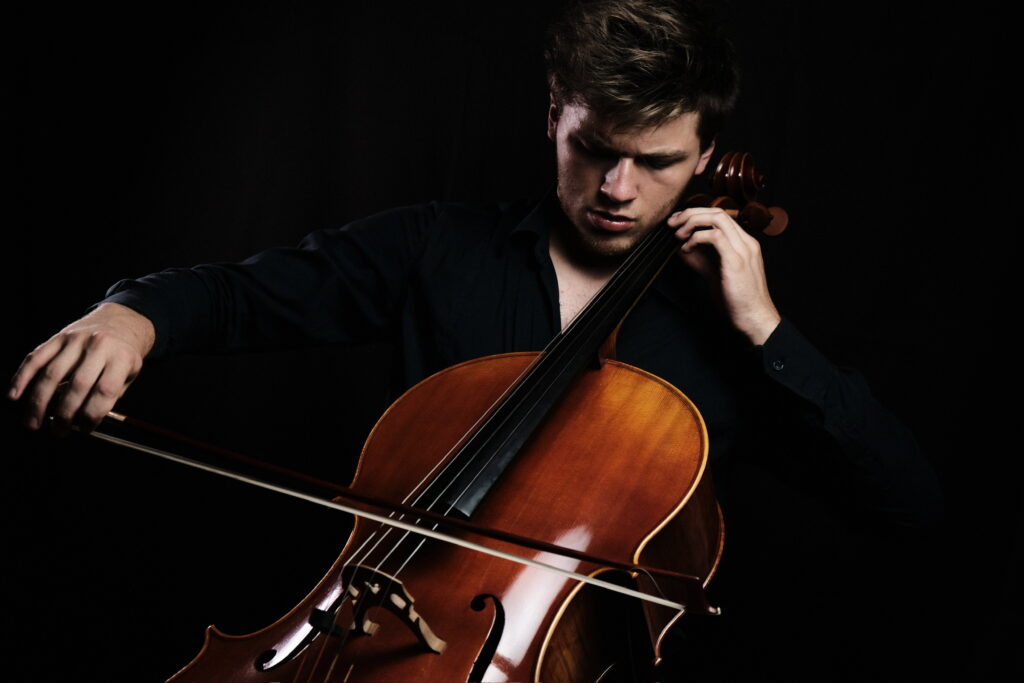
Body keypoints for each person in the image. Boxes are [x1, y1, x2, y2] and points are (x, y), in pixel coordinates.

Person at [10, 0, 941, 677]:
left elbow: (907, 503)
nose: (617, 188)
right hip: (354, 627)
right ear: (554, 118)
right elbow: (240, 296)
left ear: (703, 159)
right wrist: (131, 316)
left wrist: (765, 328)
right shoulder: (438, 249)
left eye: (655, 162)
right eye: (593, 148)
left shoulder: (728, 336)